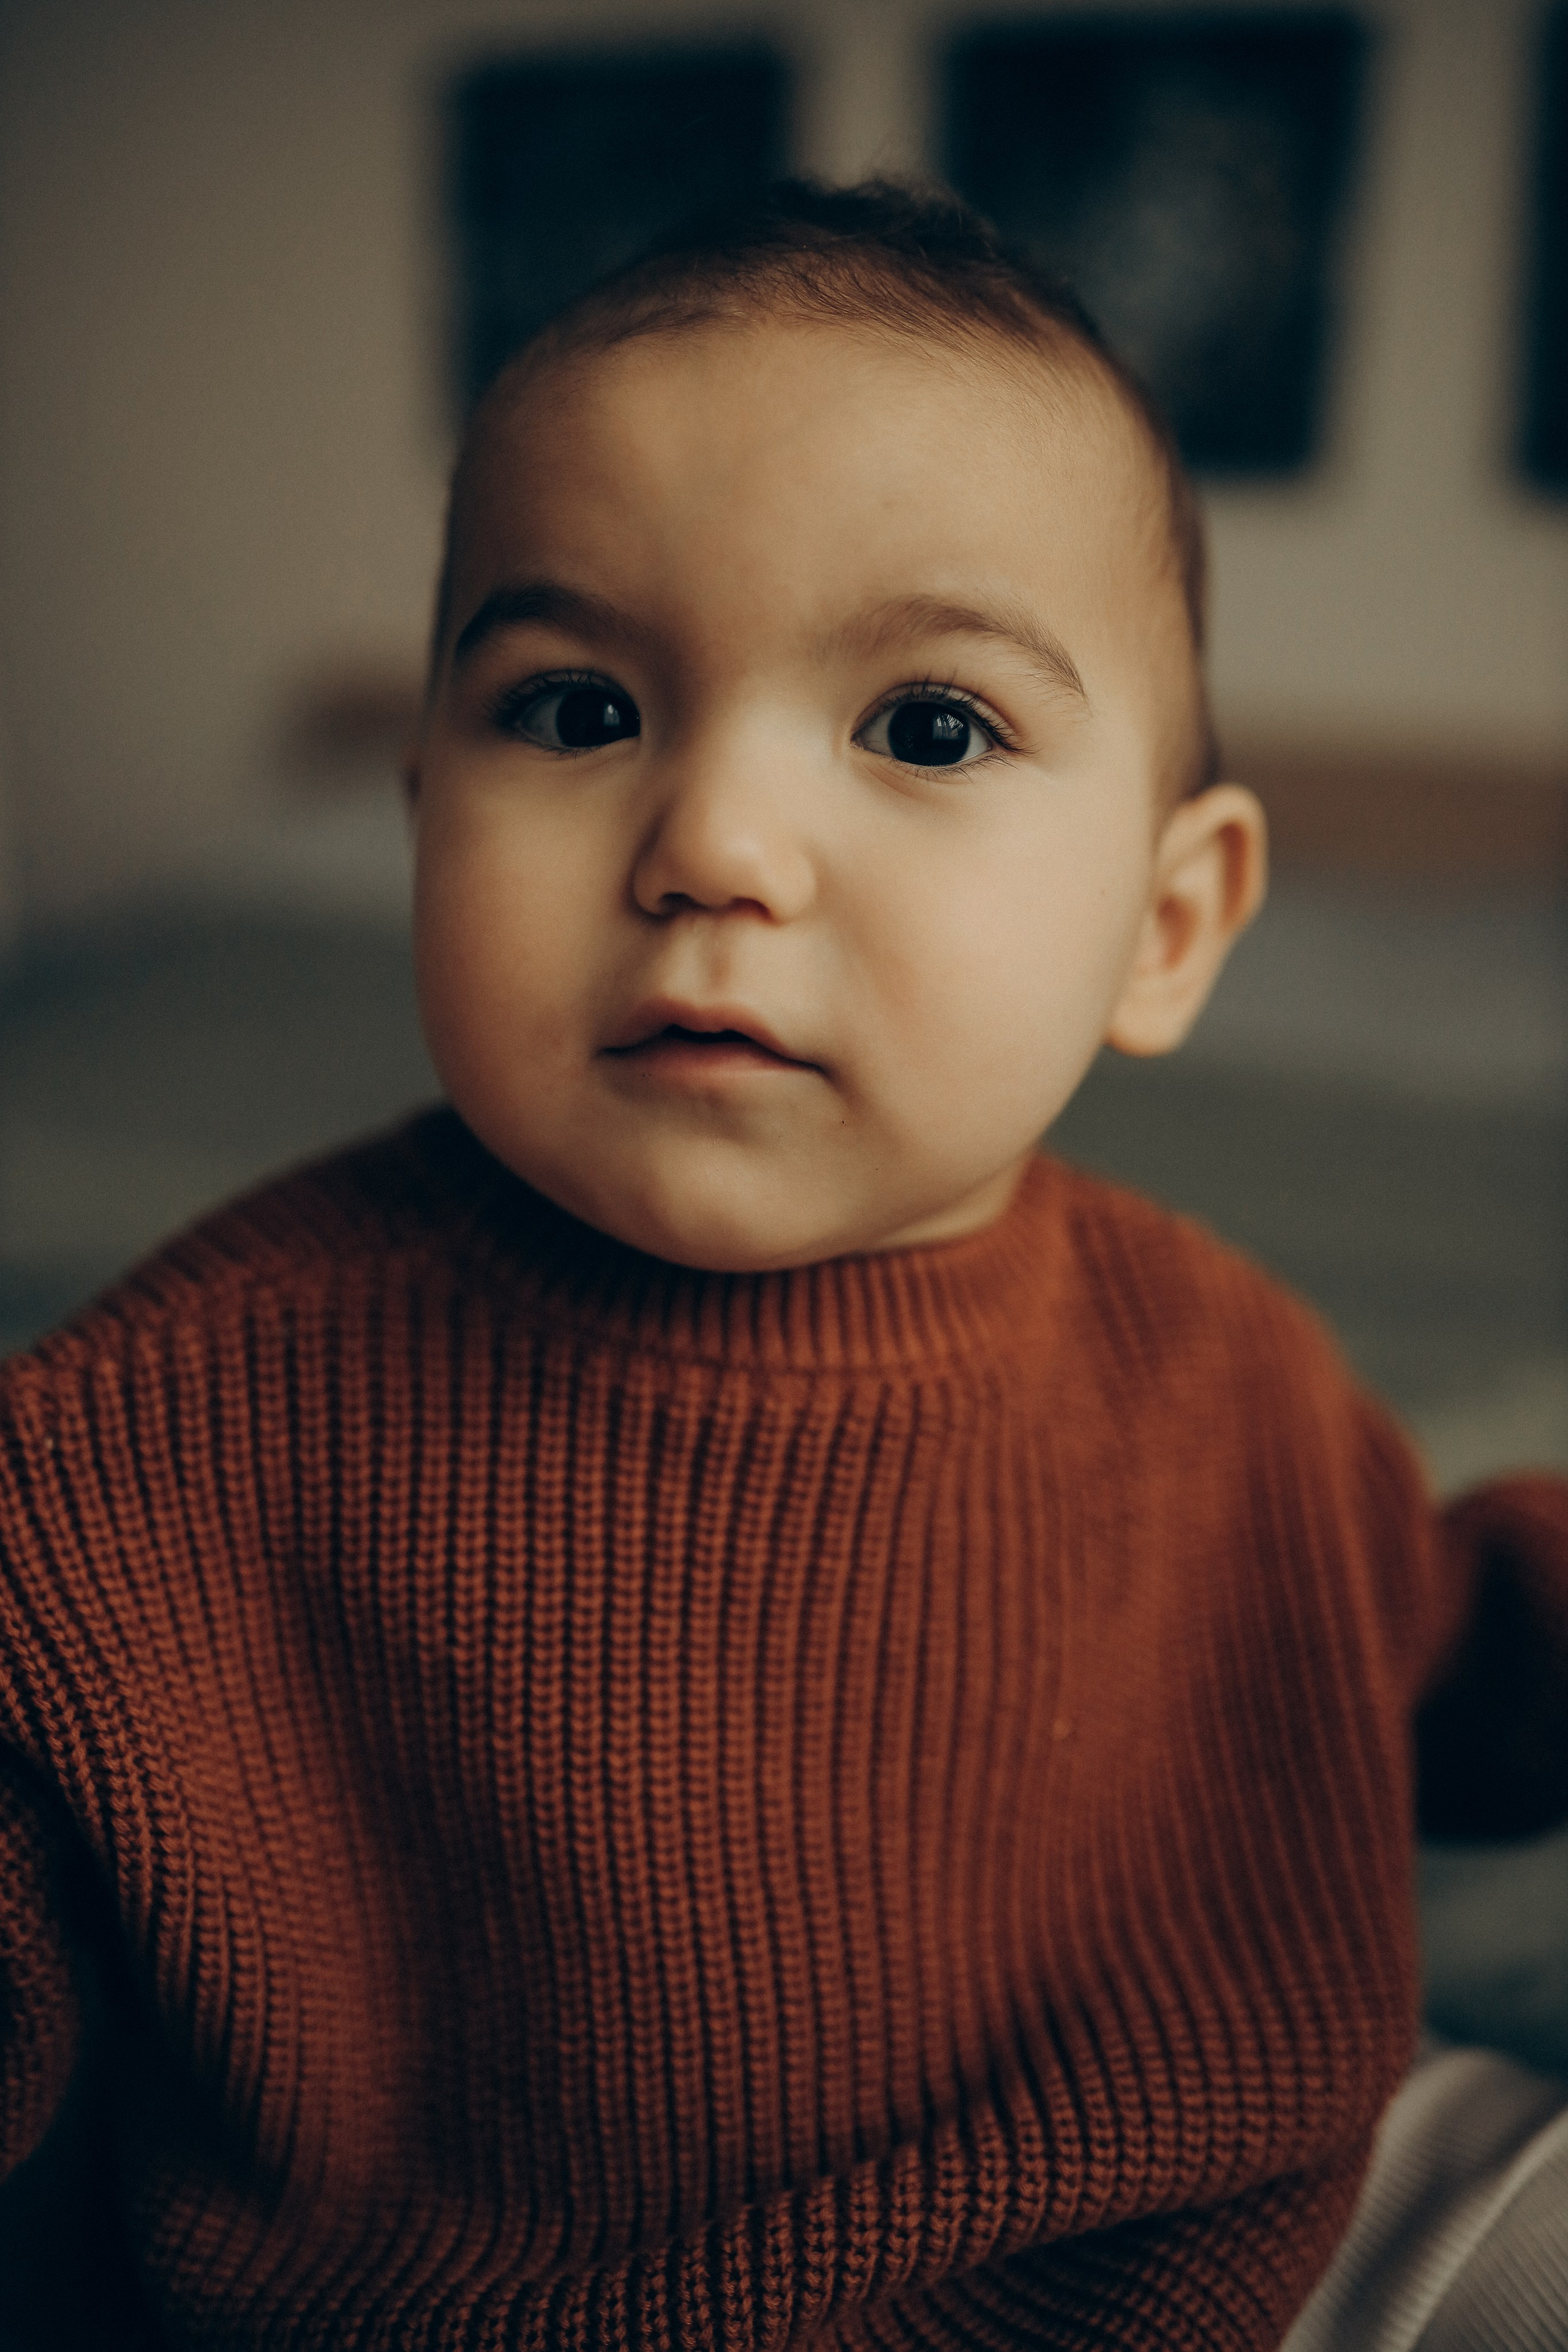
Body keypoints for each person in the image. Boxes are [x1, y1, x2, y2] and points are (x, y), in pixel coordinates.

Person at [1, 179, 1564, 2352]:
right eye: (570, 712)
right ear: (420, 806)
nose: (714, 844)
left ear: (1165, 928)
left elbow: (1384, 1653)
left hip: (1210, 2243)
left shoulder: (1227, 1374)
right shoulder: (146, 1458)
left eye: (928, 727)